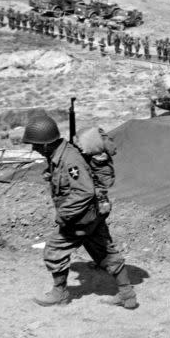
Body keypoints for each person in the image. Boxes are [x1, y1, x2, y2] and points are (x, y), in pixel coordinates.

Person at [22, 114, 137, 309]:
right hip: (92, 215)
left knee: (54, 250)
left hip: (79, 219)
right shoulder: (59, 155)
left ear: (47, 143)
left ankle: (60, 294)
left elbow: (84, 191)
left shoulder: (70, 159)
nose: (34, 148)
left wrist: (64, 214)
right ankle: (127, 295)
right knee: (105, 253)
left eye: (36, 145)